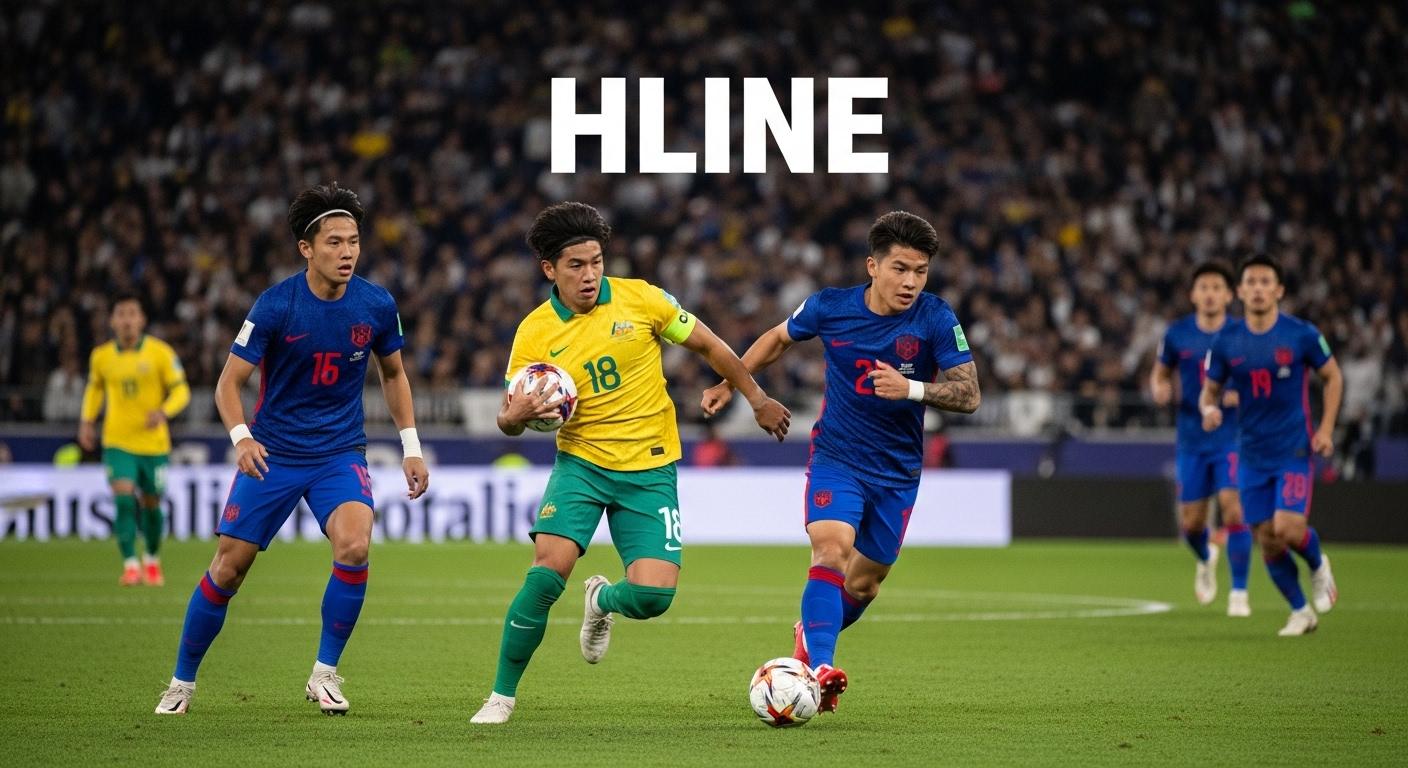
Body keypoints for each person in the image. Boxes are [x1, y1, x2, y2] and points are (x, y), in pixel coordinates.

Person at [470, 202, 790, 724]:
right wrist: (517, 417)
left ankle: (603, 601)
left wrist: (752, 396)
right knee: (547, 574)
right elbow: (511, 415)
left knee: (651, 597)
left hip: (650, 467)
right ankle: (501, 696)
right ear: (549, 269)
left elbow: (709, 344)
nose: (590, 273)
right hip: (581, 465)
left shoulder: (642, 299)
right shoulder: (533, 332)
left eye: (596, 261)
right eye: (576, 265)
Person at [154, 183, 430, 715]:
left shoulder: (376, 304)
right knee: (228, 569)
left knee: (355, 546)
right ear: (307, 248)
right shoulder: (276, 304)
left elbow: (394, 374)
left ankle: (324, 675)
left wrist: (410, 446)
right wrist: (242, 437)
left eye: (353, 241)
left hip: (339, 451)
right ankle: (182, 683)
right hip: (273, 453)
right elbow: (227, 384)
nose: (347, 252)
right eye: (333, 242)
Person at [701, 211, 980, 715]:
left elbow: (970, 394)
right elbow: (778, 338)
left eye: (920, 271)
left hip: (898, 472)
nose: (911, 282)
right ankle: (821, 669)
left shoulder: (936, 318)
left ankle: (808, 635)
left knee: (864, 583)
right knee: (831, 550)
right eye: (900, 268)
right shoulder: (831, 307)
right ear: (873, 266)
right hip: (838, 458)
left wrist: (912, 388)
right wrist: (732, 383)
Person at [1200, 254, 1341, 636]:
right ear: (1241, 291)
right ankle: (1299, 611)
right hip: (1250, 455)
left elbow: (1333, 377)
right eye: (1252, 282)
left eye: (1266, 282)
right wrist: (1209, 409)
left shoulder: (1302, 335)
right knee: (1267, 538)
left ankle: (1317, 564)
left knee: (1289, 529)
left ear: (1278, 290)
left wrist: (1326, 428)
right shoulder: (1227, 341)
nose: (1259, 289)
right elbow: (1208, 391)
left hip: (1292, 449)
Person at [1150, 262, 1251, 615]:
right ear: (1194, 295)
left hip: (1231, 435)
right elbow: (1159, 373)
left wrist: (1244, 393)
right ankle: (1206, 556)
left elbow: (1258, 373)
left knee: (1233, 508)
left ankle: (1239, 592)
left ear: (1228, 295)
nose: (1209, 293)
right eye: (1203, 287)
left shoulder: (1242, 333)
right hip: (1192, 437)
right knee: (1192, 523)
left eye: (1216, 287)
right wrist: (1160, 388)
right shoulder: (1177, 335)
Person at [78, 294, 190, 587]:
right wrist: (87, 421)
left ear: (141, 320)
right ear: (113, 321)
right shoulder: (101, 356)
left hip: (153, 444)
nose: (127, 319)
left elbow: (182, 391)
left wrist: (164, 412)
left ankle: (151, 559)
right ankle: (130, 564)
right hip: (117, 441)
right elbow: (94, 391)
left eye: (132, 313)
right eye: (121, 314)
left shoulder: (160, 353)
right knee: (124, 500)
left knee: (152, 503)